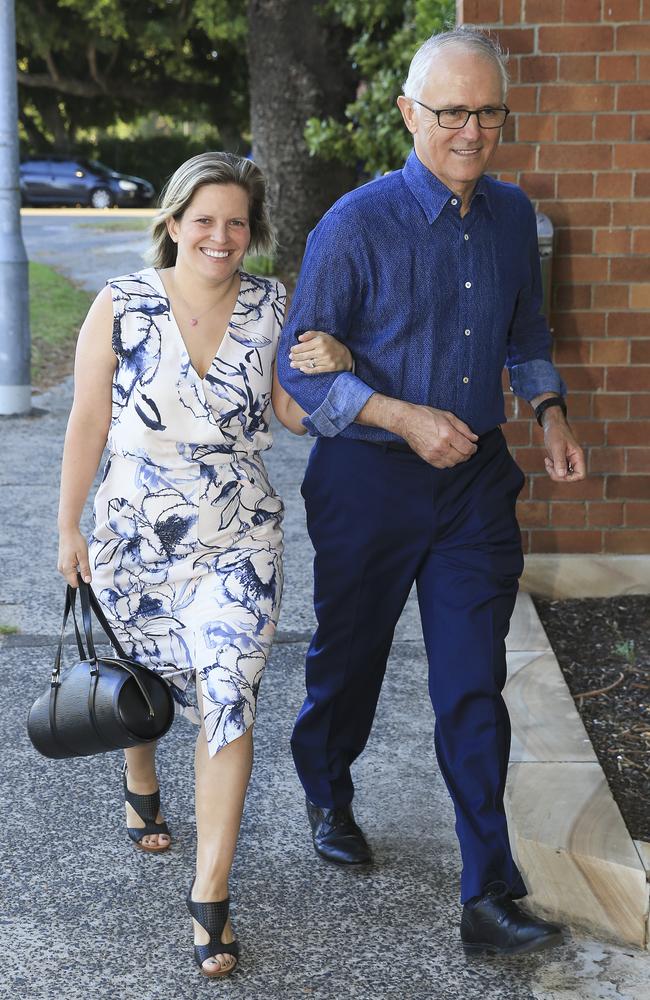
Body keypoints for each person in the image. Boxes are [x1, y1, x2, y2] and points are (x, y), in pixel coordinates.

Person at [277, 26, 586, 956]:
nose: (471, 129)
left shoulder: (509, 214)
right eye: (451, 110)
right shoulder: (355, 224)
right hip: (368, 486)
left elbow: (525, 326)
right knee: (351, 663)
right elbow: (302, 376)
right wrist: (399, 414)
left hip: (475, 492)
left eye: (488, 111)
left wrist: (549, 408)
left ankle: (486, 894)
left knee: (472, 685)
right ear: (411, 113)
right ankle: (329, 785)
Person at [56, 151, 353, 978]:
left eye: (236, 222)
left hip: (237, 543)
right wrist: (66, 528)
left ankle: (211, 895)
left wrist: (334, 371)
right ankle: (139, 775)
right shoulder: (121, 304)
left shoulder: (271, 305)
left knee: (227, 696)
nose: (221, 237)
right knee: (139, 681)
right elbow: (86, 421)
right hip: (131, 538)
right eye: (205, 220)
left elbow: (291, 413)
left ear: (250, 231)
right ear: (174, 223)